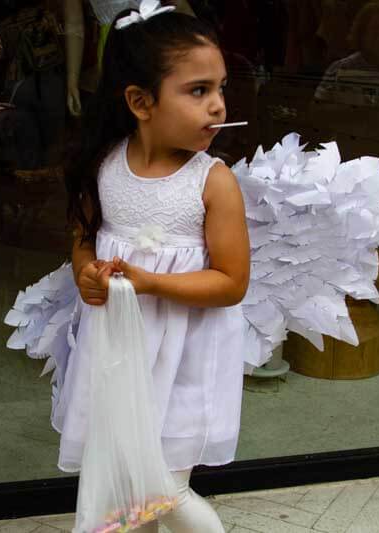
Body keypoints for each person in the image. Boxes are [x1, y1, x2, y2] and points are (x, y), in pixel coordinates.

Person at [57, 3, 250, 531]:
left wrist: (150, 282)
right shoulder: (105, 168)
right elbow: (84, 243)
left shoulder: (212, 182)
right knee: (127, 498)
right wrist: (88, 276)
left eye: (220, 88)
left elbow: (232, 282)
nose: (217, 106)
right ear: (141, 102)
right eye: (197, 91)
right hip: (118, 357)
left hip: (186, 358)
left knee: (162, 489)